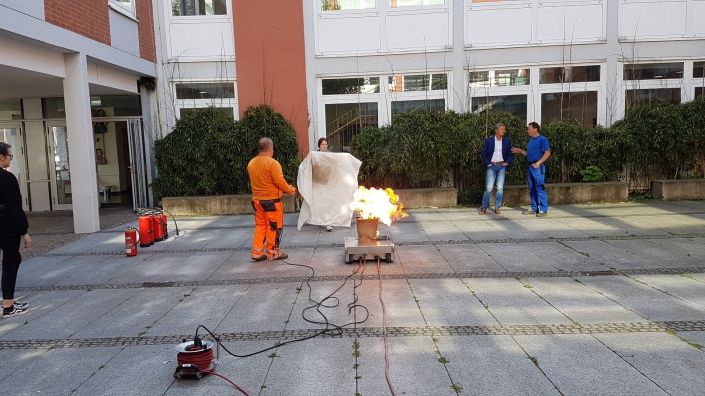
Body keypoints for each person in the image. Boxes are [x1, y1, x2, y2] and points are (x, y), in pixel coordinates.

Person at [247, 137, 296, 261]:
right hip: (272, 202)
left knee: (260, 226)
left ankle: (256, 253)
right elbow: (280, 182)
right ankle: (273, 253)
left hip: (257, 201)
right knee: (273, 227)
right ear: (270, 148)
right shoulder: (272, 163)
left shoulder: (251, 163)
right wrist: (289, 189)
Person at [0, 142, 32, 318]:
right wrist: (24, 231)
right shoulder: (7, 177)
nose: (11, 159)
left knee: (13, 260)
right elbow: (14, 206)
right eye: (10, 155)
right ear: (1, 156)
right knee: (10, 262)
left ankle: (9, 301)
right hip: (6, 223)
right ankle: (8, 306)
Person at [511, 122, 551, 217]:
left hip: (538, 167)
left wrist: (538, 162)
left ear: (535, 129)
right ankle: (534, 207)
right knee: (531, 187)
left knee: (539, 187)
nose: (527, 131)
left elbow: (547, 153)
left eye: (529, 129)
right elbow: (529, 153)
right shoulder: (531, 140)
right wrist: (520, 151)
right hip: (530, 166)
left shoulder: (542, 139)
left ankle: (543, 209)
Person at [480, 123, 514, 215]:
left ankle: (497, 207)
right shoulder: (489, 141)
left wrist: (506, 163)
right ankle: (484, 207)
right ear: (496, 130)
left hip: (501, 166)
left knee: (500, 187)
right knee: (489, 187)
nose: (504, 131)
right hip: (491, 166)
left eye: (504, 129)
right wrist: (488, 164)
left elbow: (511, 154)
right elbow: (484, 154)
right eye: (502, 129)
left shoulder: (507, 141)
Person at [316, 137, 333, 232]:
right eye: (322, 144)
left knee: (328, 202)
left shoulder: (330, 155)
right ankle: (322, 221)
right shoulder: (315, 155)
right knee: (321, 202)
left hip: (328, 182)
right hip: (319, 182)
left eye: (326, 144)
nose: (324, 146)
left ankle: (328, 223)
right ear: (319, 145)